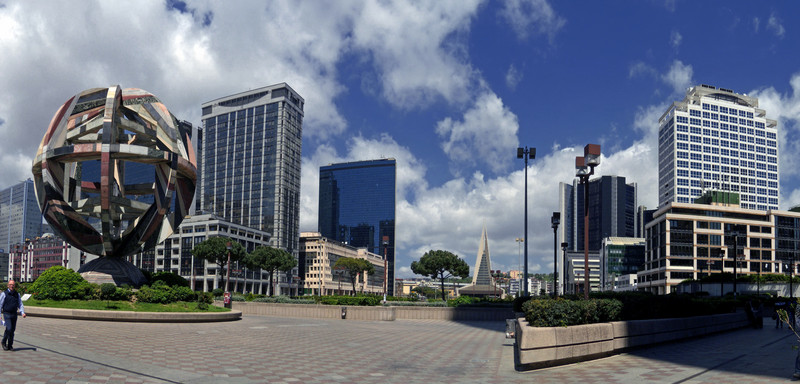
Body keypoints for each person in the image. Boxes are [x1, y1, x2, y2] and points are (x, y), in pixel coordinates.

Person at [0, 280, 26, 351]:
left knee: (12, 330)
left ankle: (10, 345)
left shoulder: (17, 294)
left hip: (14, 314)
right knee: (9, 328)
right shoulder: (4, 294)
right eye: (10, 284)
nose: (12, 286)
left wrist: (22, 312)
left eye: (13, 285)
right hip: (7, 314)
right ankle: (4, 342)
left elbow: (20, 304)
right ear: (8, 285)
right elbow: (0, 305)